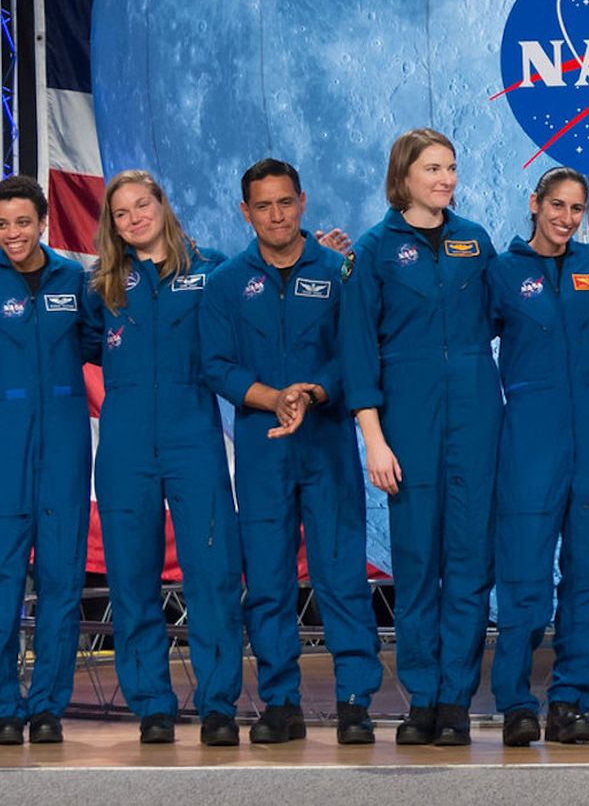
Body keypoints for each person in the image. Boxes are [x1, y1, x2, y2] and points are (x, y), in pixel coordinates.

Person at [200, 158, 382, 747]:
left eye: (285, 202)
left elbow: (357, 352)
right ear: (245, 211)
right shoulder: (227, 283)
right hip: (262, 450)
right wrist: (275, 397)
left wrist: (315, 391)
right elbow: (218, 365)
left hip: (326, 444)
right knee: (271, 583)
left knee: (341, 577)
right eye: (263, 205)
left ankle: (356, 700)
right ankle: (281, 703)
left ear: (303, 202)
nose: (276, 215)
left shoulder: (340, 272)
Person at [340, 128, 502, 747]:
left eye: (452, 168)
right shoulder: (374, 252)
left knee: (468, 565)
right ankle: (421, 698)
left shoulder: (474, 243)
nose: (445, 179)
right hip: (406, 423)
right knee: (416, 566)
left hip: (476, 417)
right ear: (403, 175)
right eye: (432, 168)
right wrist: (374, 440)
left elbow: (511, 313)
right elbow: (358, 354)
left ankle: (455, 701)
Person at [87, 170, 244, 747]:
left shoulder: (212, 270)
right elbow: (82, 343)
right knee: (132, 580)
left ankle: (219, 704)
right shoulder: (104, 285)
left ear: (163, 203)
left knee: (212, 574)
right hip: (126, 446)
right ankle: (152, 702)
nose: (135, 219)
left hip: (193, 439)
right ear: (114, 225)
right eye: (122, 213)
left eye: (143, 204)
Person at [484, 166, 589, 747]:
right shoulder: (501, 272)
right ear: (535, 203)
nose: (566, 218)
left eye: (576, 209)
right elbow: (469, 342)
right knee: (523, 576)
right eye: (557, 206)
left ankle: (570, 699)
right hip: (530, 434)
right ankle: (516, 701)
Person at [0, 175, 98, 746]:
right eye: (2, 224)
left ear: (42, 222)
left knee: (63, 579)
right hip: (2, 444)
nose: (13, 234)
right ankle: (1, 706)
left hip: (65, 441)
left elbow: (98, 342)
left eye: (23, 222)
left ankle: (47, 705)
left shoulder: (75, 279)